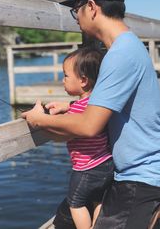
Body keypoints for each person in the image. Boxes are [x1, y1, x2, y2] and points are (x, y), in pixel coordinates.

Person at [22, 0, 160, 229]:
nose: (76, 17)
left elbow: (89, 127)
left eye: (76, 9)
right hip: (138, 170)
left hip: (142, 176)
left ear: (91, 7)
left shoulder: (120, 54)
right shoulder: (127, 46)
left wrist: (39, 119)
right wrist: (71, 106)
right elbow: (110, 101)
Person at [58, 47, 114, 229]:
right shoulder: (98, 104)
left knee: (76, 203)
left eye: (65, 76)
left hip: (86, 169)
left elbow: (62, 129)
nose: (62, 80)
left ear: (83, 80)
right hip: (106, 163)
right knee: (97, 200)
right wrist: (67, 106)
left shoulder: (76, 111)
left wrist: (40, 119)